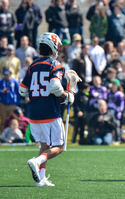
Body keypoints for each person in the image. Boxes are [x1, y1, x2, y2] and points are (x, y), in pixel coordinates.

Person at [20, 32, 73, 186]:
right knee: (59, 147)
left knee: (45, 146)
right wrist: (66, 96)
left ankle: (41, 179)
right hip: (50, 112)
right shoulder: (55, 64)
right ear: (54, 46)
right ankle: (37, 161)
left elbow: (22, 91)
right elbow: (55, 87)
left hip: (35, 113)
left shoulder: (33, 65)